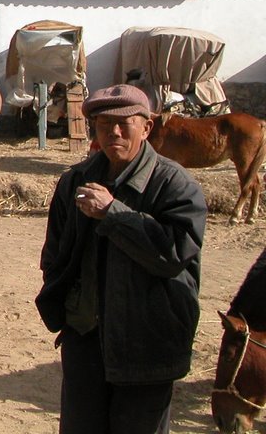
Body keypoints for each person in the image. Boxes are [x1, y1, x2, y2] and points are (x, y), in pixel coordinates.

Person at [35, 84, 206, 434]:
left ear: (147, 127)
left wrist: (114, 214)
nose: (113, 131)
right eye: (103, 122)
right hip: (85, 339)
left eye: (125, 122)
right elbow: (55, 254)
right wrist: (69, 310)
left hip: (146, 344)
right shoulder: (75, 181)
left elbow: (173, 255)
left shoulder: (175, 185)